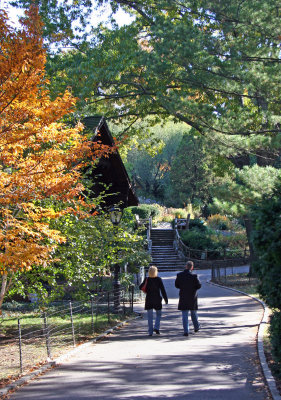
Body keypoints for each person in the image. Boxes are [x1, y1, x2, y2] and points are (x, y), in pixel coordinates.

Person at [139, 265, 168, 336]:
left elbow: (140, 287)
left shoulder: (147, 279)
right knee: (159, 314)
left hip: (149, 299)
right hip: (157, 299)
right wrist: (165, 299)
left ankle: (150, 332)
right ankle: (156, 327)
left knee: (150, 317)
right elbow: (163, 290)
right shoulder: (158, 279)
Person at [175, 261, 201, 336]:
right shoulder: (194, 276)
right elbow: (199, 285)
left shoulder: (179, 275)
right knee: (194, 313)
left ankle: (186, 330)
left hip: (183, 296)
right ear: (192, 267)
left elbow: (176, 285)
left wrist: (182, 287)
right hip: (192, 296)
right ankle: (196, 327)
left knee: (184, 314)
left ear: (186, 266)